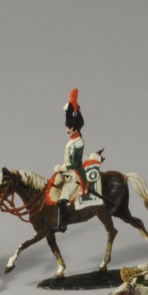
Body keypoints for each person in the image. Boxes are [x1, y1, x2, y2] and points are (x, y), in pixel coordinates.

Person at [50, 89, 86, 233]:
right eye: (67, 127)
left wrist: (62, 168)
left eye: (69, 127)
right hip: (68, 171)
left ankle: (62, 225)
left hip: (75, 174)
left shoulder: (78, 143)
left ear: (75, 128)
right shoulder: (72, 141)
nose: (67, 129)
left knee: (62, 199)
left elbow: (75, 163)